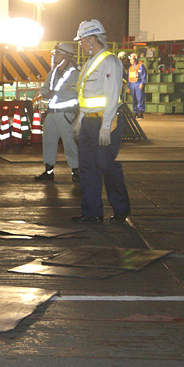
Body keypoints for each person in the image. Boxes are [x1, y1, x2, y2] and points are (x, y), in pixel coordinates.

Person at [71, 19, 130, 223]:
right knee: (87, 166)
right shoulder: (89, 64)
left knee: (106, 164)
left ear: (92, 38)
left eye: (82, 41)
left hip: (106, 121)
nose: (81, 45)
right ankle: (91, 212)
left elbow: (112, 95)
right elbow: (84, 96)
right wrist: (80, 120)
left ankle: (121, 209)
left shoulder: (110, 62)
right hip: (89, 121)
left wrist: (106, 126)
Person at [35, 42, 80, 182]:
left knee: (69, 142)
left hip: (66, 114)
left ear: (65, 56)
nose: (54, 56)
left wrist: (53, 93)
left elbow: (73, 93)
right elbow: (45, 88)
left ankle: (76, 172)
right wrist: (45, 93)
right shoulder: (53, 72)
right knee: (48, 141)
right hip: (52, 113)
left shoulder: (75, 73)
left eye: (57, 54)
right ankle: (48, 172)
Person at [128, 52, 147, 119]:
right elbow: (129, 78)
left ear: (135, 59)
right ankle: (135, 112)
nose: (130, 61)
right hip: (132, 85)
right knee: (134, 99)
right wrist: (128, 87)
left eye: (131, 59)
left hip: (138, 84)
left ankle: (140, 112)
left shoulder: (140, 66)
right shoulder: (130, 68)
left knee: (140, 99)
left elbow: (143, 75)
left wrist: (142, 83)